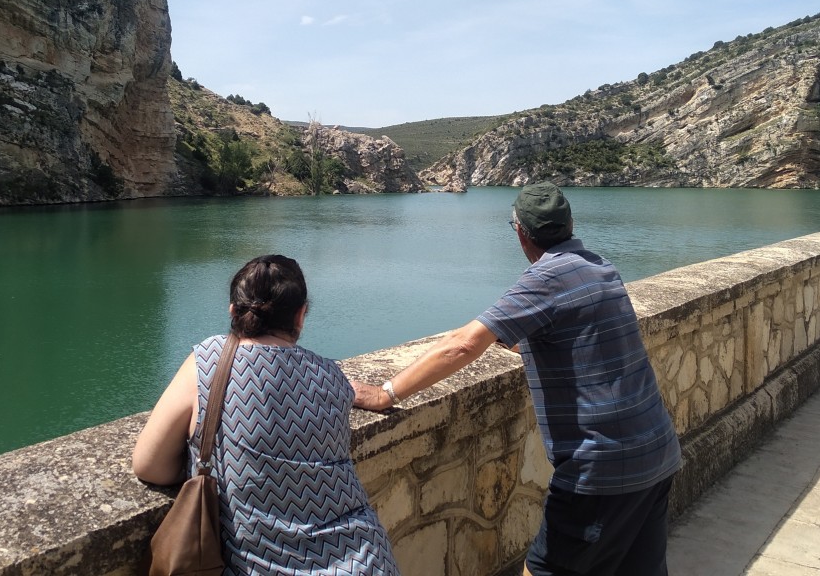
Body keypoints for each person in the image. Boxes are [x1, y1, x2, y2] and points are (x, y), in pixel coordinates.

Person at [352, 182, 681, 576]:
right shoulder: (599, 265)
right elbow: (578, 339)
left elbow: (462, 345)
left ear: (520, 233)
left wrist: (386, 392)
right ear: (571, 223)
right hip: (658, 452)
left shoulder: (546, 277)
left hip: (601, 470)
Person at [134, 254, 400, 575]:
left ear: (233, 311)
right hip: (366, 560)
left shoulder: (209, 360)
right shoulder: (332, 376)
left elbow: (150, 467)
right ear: (301, 315)